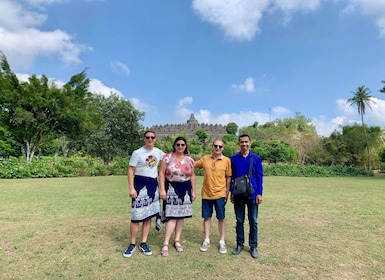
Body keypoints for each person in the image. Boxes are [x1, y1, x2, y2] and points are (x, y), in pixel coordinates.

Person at [123, 130, 165, 258]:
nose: (150, 139)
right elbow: (130, 171)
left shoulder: (158, 152)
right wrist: (131, 188)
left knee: (148, 216)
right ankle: (132, 244)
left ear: (155, 139)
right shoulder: (137, 153)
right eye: (148, 137)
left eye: (152, 137)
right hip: (139, 184)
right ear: (144, 139)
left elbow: (172, 157)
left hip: (153, 184)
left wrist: (185, 154)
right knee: (136, 216)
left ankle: (143, 242)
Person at [158, 136, 196, 257]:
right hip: (171, 188)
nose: (180, 147)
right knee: (172, 217)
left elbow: (192, 176)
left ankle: (177, 240)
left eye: (182, 145)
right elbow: (161, 173)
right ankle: (165, 243)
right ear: (174, 145)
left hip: (185, 188)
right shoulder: (167, 157)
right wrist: (162, 189)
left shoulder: (189, 160)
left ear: (185, 146)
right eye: (178, 144)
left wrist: (194, 191)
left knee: (181, 217)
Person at [195, 138, 231, 254]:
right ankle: (206, 240)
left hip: (220, 193)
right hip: (206, 193)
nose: (217, 148)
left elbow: (228, 177)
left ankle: (222, 241)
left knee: (221, 218)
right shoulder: (205, 159)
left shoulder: (226, 161)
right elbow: (192, 164)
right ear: (212, 146)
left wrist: (226, 193)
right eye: (216, 146)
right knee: (207, 217)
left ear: (223, 148)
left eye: (220, 146)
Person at [230, 134, 263, 259]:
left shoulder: (256, 158)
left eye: (246, 142)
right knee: (239, 221)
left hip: (252, 194)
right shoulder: (233, 159)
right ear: (238, 144)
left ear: (250, 143)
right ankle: (239, 244)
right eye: (242, 142)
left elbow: (259, 177)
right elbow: (231, 178)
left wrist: (260, 193)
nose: (244, 144)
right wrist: (232, 192)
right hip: (238, 194)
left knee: (253, 221)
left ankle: (253, 246)